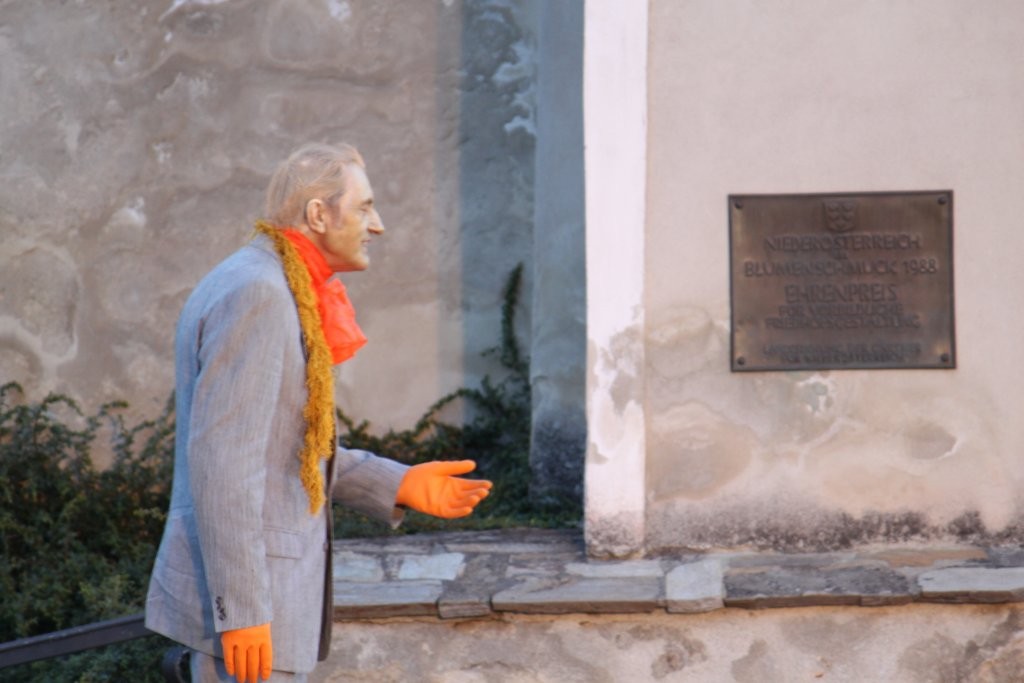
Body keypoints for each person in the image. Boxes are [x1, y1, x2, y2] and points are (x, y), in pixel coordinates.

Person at [145, 143, 492, 682]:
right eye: (364, 207)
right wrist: (242, 611)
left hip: (265, 609)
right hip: (253, 617)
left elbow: (284, 446)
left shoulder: (268, 280)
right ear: (318, 215)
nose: (378, 225)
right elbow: (224, 464)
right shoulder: (259, 293)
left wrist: (396, 483)